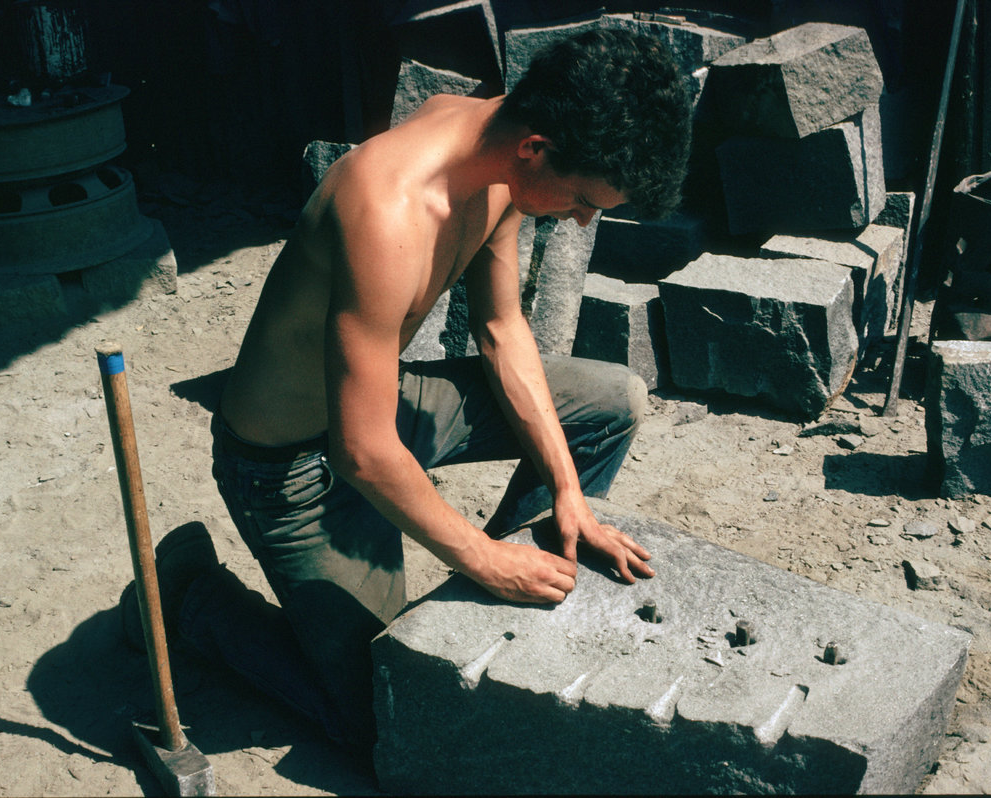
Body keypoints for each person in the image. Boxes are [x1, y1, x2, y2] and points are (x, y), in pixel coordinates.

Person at [121, 27, 691, 757]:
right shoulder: (387, 209)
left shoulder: (504, 159)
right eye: (583, 199)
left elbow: (501, 327)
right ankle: (187, 599)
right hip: (291, 469)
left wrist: (567, 491)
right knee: (388, 724)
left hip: (382, 415)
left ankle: (493, 604)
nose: (583, 219)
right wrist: (482, 561)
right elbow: (361, 451)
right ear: (536, 148)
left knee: (610, 401)